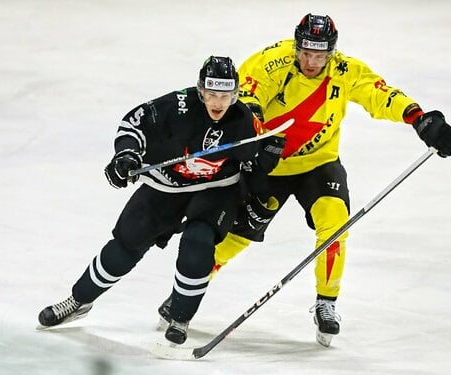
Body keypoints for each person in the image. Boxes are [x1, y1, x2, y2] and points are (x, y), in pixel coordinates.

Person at [158, 14, 451, 347]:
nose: (312, 61)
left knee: (334, 223)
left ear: (331, 52)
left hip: (320, 164)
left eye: (320, 55)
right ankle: (183, 297)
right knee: (234, 238)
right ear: (296, 45)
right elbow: (246, 98)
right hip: (270, 166)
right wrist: (258, 134)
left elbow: (380, 95)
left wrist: (419, 119)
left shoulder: (345, 71)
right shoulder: (272, 61)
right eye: (306, 53)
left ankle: (326, 303)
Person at [37, 56, 285, 345]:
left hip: (215, 191)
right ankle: (78, 301)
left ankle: (179, 317)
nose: (218, 103)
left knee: (198, 244)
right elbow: (133, 124)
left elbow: (252, 168)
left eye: (226, 96)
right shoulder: (177, 106)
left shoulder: (244, 122)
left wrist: (265, 164)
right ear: (201, 90)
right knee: (124, 247)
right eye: (213, 94)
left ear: (235, 94)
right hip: (166, 185)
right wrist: (125, 156)